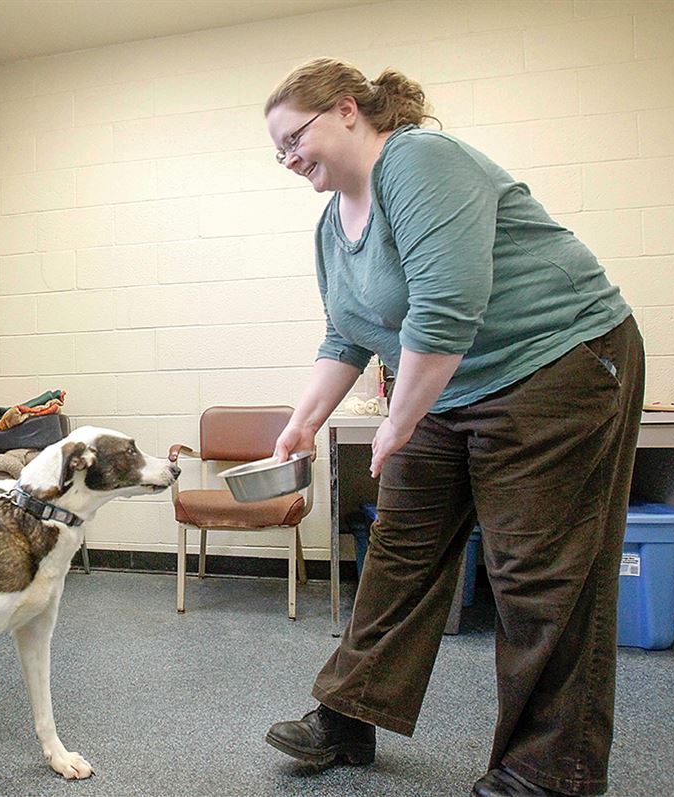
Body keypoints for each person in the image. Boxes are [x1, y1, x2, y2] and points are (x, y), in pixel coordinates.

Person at [261, 58, 643, 797]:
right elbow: (346, 334)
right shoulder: (332, 226)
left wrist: (398, 420)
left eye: (295, 138)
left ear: (347, 110)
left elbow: (444, 308)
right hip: (448, 383)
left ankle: (548, 771)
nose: (290, 159)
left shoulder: (418, 161)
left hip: (555, 360)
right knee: (398, 549)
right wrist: (301, 424)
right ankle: (348, 715)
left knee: (538, 570)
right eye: (279, 152)